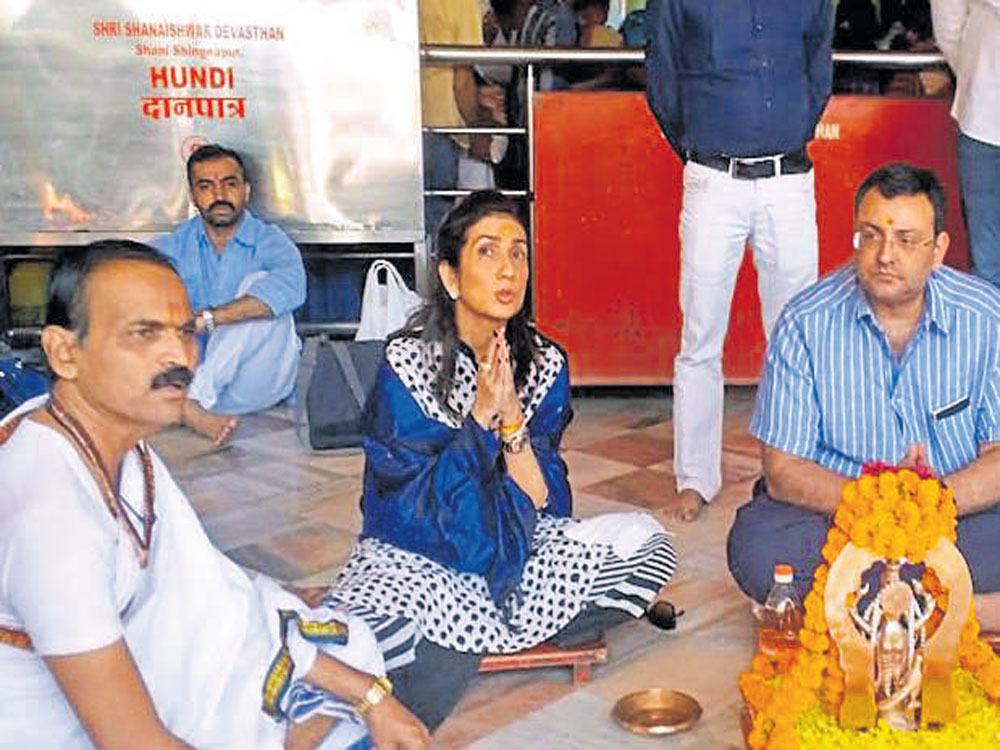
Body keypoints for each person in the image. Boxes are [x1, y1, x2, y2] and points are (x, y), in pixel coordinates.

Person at [0, 240, 428, 749]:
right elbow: (135, 742)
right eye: (144, 333)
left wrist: (371, 697)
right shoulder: (51, 516)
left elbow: (207, 595)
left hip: (158, 680)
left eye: (184, 332)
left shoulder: (113, 446)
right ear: (64, 352)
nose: (180, 355)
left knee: (361, 649)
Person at [326, 191, 678, 731]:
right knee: (361, 629)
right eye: (488, 252)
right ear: (450, 276)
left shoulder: (544, 361)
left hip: (518, 549)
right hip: (423, 559)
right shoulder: (408, 360)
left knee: (646, 543)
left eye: (518, 254)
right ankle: (507, 625)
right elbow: (410, 508)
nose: (508, 269)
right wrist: (476, 422)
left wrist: (511, 423)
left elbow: (545, 504)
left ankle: (468, 632)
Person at [727, 163, 1000, 632]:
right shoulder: (805, 322)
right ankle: (955, 609)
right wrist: (879, 505)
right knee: (758, 547)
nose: (885, 255)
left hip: (953, 512)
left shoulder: (986, 317)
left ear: (938, 251)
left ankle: (846, 611)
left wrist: (927, 504)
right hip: (841, 513)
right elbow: (785, 471)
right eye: (871, 236)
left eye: (906, 240)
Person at [645, 0, 834, 522]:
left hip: (788, 182)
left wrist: (789, 128)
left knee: (797, 338)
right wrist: (699, 149)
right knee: (700, 337)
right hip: (713, 181)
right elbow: (663, 80)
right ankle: (694, 477)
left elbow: (819, 70)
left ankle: (794, 471)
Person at [153, 143, 306, 445]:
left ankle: (189, 406)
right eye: (206, 186)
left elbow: (291, 288)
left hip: (256, 382)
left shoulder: (272, 241)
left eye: (229, 184)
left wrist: (209, 319)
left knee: (261, 294)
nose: (219, 195)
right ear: (193, 195)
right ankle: (189, 402)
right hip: (188, 375)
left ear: (246, 191)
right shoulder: (171, 248)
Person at [419, 0, 506, 243]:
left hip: (396, 120)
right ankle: (426, 277)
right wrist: (478, 130)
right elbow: (462, 80)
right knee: (435, 218)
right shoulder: (462, 4)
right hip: (439, 122)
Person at [931, 0, 1000, 289]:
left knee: (987, 259)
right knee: (987, 261)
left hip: (983, 108)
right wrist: (975, 80)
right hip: (983, 120)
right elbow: (948, 26)